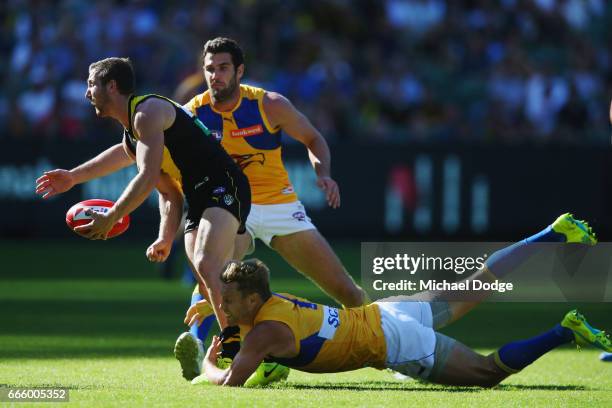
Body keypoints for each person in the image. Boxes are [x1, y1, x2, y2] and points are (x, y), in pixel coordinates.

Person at [180, 213, 610, 387]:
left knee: (486, 373)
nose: (225, 306)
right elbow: (243, 318)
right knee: (479, 282)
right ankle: (554, 232)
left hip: (395, 341)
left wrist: (207, 363)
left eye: (229, 300)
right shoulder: (272, 302)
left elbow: (231, 383)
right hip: (385, 310)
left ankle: (565, 328)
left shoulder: (266, 332)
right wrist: (212, 308)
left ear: (253, 298)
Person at [34, 57, 251, 340]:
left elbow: (146, 176)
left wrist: (111, 216)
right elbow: (169, 193)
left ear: (112, 86)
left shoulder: (146, 113)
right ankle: (251, 339)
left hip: (225, 184)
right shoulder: (135, 134)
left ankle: (235, 344)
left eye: (91, 85)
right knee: (206, 273)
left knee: (207, 265)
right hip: (199, 198)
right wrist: (164, 236)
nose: (87, 93)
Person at [177, 35, 367, 349]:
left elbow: (314, 139)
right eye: (210, 68)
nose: (216, 75)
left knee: (347, 291)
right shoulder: (192, 113)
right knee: (214, 270)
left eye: (224, 68)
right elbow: (144, 147)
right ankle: (196, 346)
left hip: (281, 206)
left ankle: (394, 346)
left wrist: (325, 175)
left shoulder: (269, 104)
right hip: (234, 207)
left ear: (240, 71)